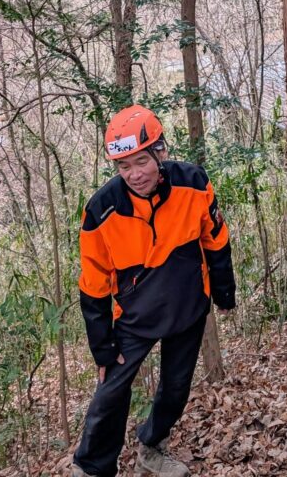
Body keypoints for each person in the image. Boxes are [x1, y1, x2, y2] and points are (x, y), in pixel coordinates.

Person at [72, 105, 236, 477]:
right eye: (124, 167)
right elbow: (93, 283)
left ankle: (152, 446)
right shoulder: (101, 210)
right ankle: (92, 468)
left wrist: (224, 293)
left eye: (141, 162)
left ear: (160, 152)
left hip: (188, 307)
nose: (135, 175)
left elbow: (216, 239)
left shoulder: (193, 183)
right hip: (133, 317)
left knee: (176, 389)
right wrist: (102, 346)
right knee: (110, 394)